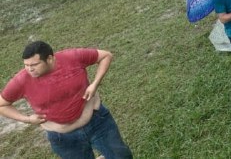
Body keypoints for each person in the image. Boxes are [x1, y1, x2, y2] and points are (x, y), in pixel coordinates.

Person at [0, 41, 132, 159]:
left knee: (121, 156)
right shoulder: (21, 80)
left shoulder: (72, 57)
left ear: (50, 59)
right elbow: (2, 105)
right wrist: (27, 119)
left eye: (34, 64)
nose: (29, 69)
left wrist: (95, 83)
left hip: (97, 122)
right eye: (26, 65)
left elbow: (105, 55)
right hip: (63, 138)